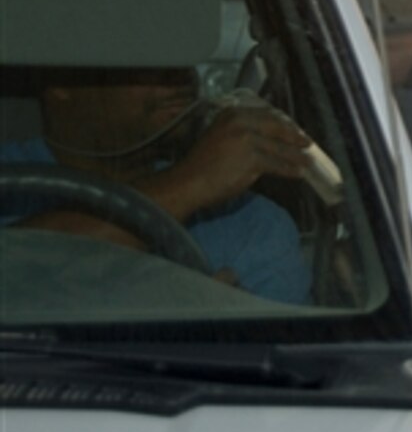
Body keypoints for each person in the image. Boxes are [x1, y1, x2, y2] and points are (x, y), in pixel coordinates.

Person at [0, 66, 313, 304]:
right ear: (61, 82)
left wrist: (230, 332)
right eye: (144, 57)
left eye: (182, 57)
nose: (178, 77)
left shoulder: (253, 225)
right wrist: (193, 183)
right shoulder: (10, 181)